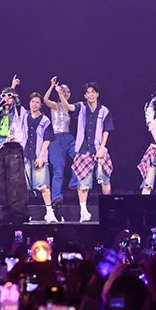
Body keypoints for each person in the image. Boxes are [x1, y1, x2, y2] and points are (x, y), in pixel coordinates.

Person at [68, 82, 114, 223]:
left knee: (104, 180)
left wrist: (102, 148)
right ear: (85, 95)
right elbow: (69, 107)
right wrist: (59, 94)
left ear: (97, 94)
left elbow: (106, 130)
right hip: (83, 150)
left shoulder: (104, 111)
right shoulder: (81, 107)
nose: (91, 95)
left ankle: (108, 209)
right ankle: (83, 212)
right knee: (83, 184)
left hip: (99, 149)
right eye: (88, 92)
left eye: (93, 92)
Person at [0, 77, 30, 225]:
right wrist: (1, 105)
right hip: (2, 149)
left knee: (15, 182)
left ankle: (19, 212)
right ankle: (8, 212)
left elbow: (17, 103)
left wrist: (13, 90)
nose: (6, 99)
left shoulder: (18, 111)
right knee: (3, 181)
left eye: (9, 96)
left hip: (14, 149)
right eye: (3, 96)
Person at [42, 77, 76, 213]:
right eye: (63, 91)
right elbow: (45, 100)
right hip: (56, 138)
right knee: (58, 168)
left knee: (80, 158)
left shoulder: (70, 107)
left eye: (68, 91)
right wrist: (52, 86)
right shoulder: (55, 106)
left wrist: (61, 94)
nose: (65, 93)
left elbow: (68, 106)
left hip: (68, 137)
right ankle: (56, 197)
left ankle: (74, 182)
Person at [24, 91, 56, 222]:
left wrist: (41, 156)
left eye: (37, 102)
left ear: (41, 105)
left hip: (39, 156)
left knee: (44, 186)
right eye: (32, 102)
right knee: (23, 187)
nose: (34, 104)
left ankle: (49, 213)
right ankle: (24, 213)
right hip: (25, 156)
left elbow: (47, 139)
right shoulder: (24, 116)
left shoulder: (45, 120)